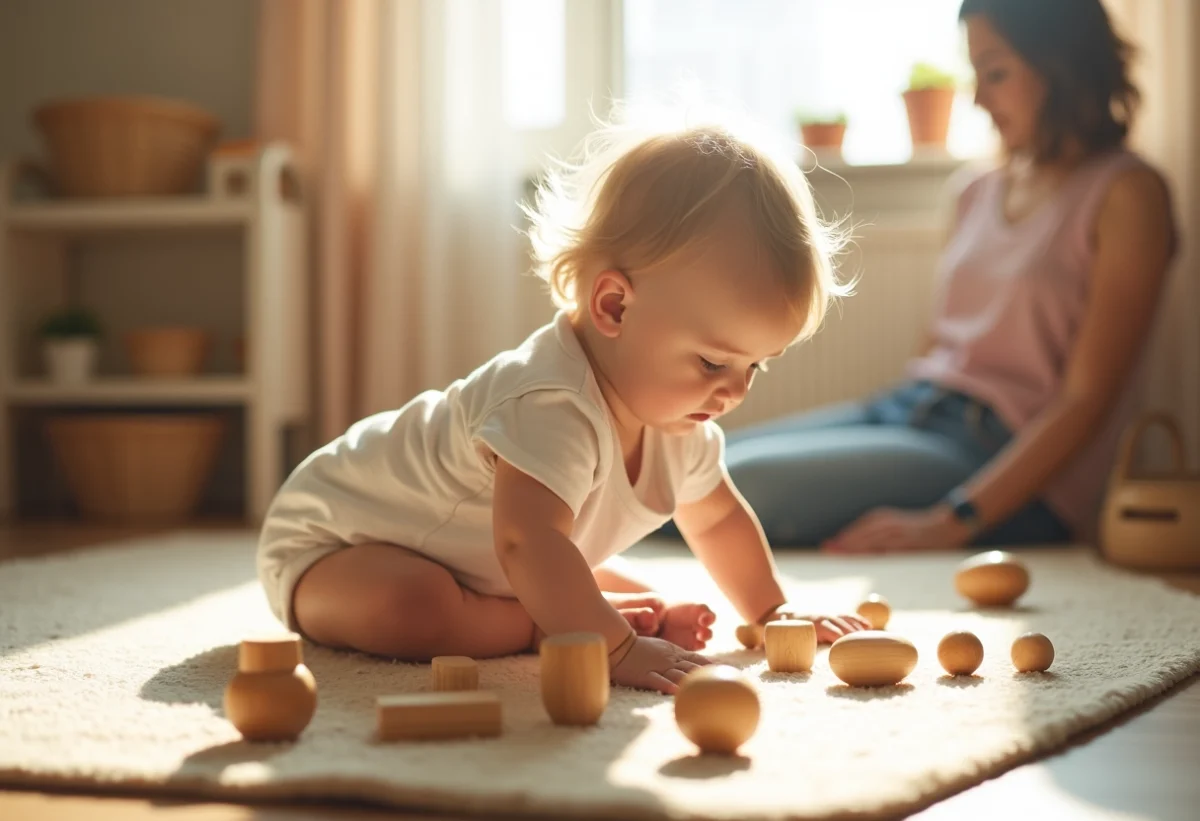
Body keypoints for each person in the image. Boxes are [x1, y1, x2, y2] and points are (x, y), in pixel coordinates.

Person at [256, 113, 870, 696]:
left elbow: (716, 521)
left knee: (600, 586)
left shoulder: (681, 423)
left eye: (754, 366)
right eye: (714, 363)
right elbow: (527, 542)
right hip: (333, 549)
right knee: (417, 609)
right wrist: (613, 648)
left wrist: (772, 611)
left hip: (477, 562)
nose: (735, 391)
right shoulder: (550, 403)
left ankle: (556, 612)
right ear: (614, 307)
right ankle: (532, 625)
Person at [719, 0, 1178, 555]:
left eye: (998, 72)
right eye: (975, 74)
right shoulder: (974, 190)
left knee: (725, 486)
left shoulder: (1127, 194)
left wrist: (951, 519)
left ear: (1062, 64)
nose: (979, 98)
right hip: (913, 409)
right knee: (698, 454)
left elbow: (1086, 400)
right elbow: (936, 345)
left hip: (997, 452)